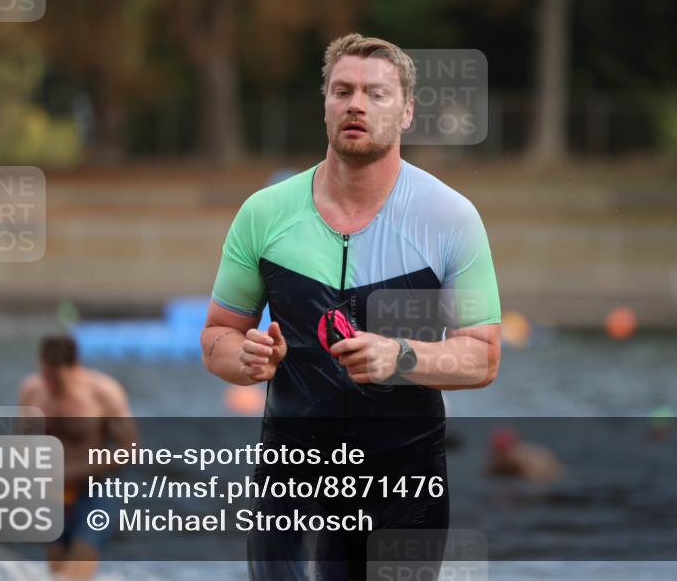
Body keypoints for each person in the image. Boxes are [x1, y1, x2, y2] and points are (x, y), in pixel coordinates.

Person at [202, 33, 502, 580]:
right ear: (325, 105)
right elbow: (217, 337)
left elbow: (483, 358)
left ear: (407, 111)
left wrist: (401, 358)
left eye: (376, 94)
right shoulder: (264, 214)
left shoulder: (452, 218)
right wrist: (244, 357)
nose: (356, 104)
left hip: (404, 480)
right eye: (342, 91)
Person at [19, 335, 138, 581]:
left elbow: (130, 448)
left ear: (75, 367)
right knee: (57, 575)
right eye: (45, 376)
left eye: (56, 378)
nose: (50, 385)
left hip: (95, 491)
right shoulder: (32, 391)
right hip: (52, 494)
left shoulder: (103, 393)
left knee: (76, 574)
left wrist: (71, 472)